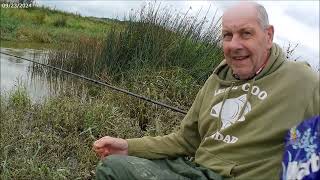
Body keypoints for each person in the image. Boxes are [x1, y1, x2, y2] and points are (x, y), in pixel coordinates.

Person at [93, 2, 319, 180]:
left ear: (268, 36)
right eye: (227, 35)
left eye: (246, 33)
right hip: (196, 169)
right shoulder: (217, 79)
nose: (234, 45)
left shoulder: (302, 81)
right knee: (113, 166)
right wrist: (130, 147)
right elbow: (185, 141)